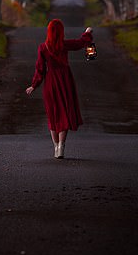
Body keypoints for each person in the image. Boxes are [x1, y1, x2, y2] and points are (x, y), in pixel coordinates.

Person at [25, 19, 93, 159]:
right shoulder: (65, 45)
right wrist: (87, 33)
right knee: (64, 112)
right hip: (65, 80)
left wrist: (34, 85)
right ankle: (62, 145)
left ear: (48, 32)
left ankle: (56, 146)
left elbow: (40, 69)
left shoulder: (43, 48)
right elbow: (80, 43)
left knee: (53, 114)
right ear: (61, 32)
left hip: (50, 82)